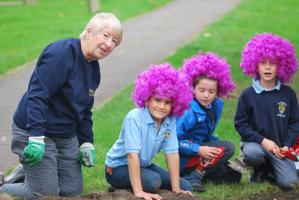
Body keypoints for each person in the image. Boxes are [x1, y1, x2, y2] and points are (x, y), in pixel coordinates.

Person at [0, 12, 123, 199]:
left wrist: (86, 142)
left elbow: (84, 110)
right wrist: (36, 138)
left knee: (71, 194)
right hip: (35, 130)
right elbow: (37, 96)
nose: (109, 44)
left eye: (115, 41)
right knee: (44, 195)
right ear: (89, 32)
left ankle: (26, 175)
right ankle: (5, 187)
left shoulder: (93, 68)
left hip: (66, 136)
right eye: (106, 36)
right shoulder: (62, 53)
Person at [105, 64, 193, 200]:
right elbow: (132, 156)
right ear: (146, 99)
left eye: (168, 102)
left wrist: (176, 190)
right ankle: (123, 187)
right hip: (117, 168)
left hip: (143, 165)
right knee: (152, 182)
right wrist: (139, 191)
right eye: (157, 100)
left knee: (185, 186)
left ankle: (134, 184)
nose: (162, 107)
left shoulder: (170, 120)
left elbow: (173, 153)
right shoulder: (134, 117)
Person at [234, 33, 299, 189]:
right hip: (256, 145)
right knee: (253, 154)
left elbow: (295, 123)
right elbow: (240, 124)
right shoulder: (248, 95)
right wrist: (263, 141)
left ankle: (270, 171)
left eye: (273, 63)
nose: (268, 67)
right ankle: (259, 169)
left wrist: (287, 145)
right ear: (255, 64)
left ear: (281, 66)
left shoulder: (288, 94)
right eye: (263, 63)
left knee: (290, 183)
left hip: (280, 149)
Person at [177, 52, 241, 192]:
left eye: (211, 91)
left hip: (198, 154)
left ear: (218, 90)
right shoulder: (188, 111)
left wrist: (214, 143)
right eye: (202, 90)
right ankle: (194, 176)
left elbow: (204, 135)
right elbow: (173, 141)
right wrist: (199, 149)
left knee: (233, 176)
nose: (206, 95)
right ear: (192, 88)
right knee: (228, 147)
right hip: (184, 159)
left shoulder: (215, 106)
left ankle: (200, 174)